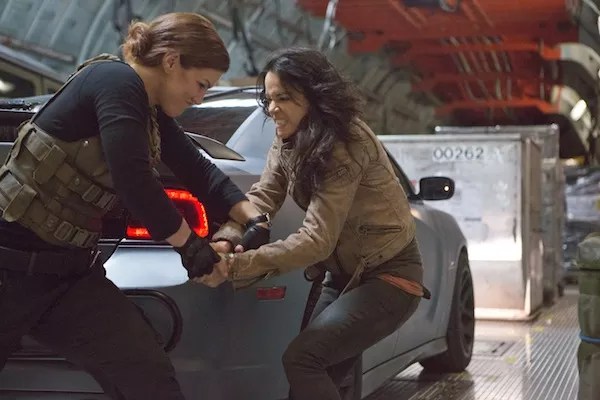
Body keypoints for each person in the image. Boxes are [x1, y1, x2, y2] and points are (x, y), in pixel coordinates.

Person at [0, 12, 268, 400]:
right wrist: (191, 248)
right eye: (201, 84)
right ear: (172, 61)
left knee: (147, 376)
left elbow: (195, 168)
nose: (199, 98)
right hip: (9, 269)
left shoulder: (147, 109)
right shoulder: (115, 81)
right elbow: (134, 180)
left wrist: (253, 217)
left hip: (68, 277)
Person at [202, 47, 429, 400]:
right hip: (342, 276)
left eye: (283, 98)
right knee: (308, 381)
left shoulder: (345, 144)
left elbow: (316, 240)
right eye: (269, 99)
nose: (272, 109)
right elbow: (264, 195)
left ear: (316, 96)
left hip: (389, 278)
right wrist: (227, 238)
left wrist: (234, 266)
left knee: (304, 361)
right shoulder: (288, 137)